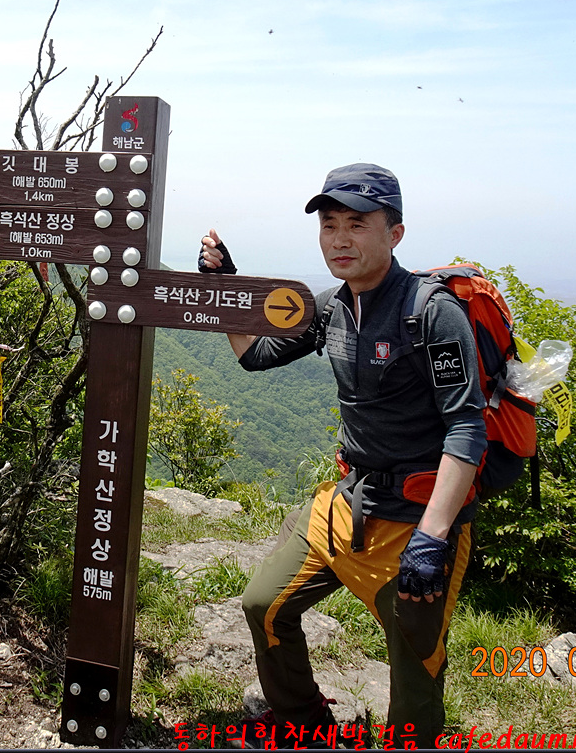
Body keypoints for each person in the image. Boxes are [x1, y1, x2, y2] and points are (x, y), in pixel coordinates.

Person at [199, 163, 486, 749]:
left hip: (416, 518)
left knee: (414, 677)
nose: (339, 239)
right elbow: (254, 356)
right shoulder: (333, 306)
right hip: (349, 500)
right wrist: (227, 285)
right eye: (329, 225)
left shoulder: (432, 313)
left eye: (357, 224)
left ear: (395, 234)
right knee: (264, 605)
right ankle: (304, 726)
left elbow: (466, 428)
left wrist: (433, 536)